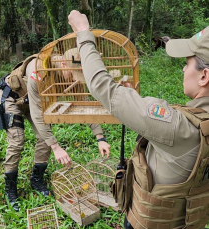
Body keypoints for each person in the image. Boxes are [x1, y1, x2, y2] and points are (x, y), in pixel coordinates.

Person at [68, 10, 209, 229]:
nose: (183, 68)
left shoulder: (180, 128)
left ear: (204, 76)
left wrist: (83, 34)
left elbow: (101, 86)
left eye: (188, 63)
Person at [0, 51, 110, 211]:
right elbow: (37, 115)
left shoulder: (71, 71)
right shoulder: (39, 70)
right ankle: (11, 190)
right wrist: (56, 147)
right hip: (12, 97)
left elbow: (83, 104)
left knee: (44, 138)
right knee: (17, 140)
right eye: (72, 74)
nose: (74, 79)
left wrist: (100, 137)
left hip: (33, 100)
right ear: (64, 63)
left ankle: (36, 180)